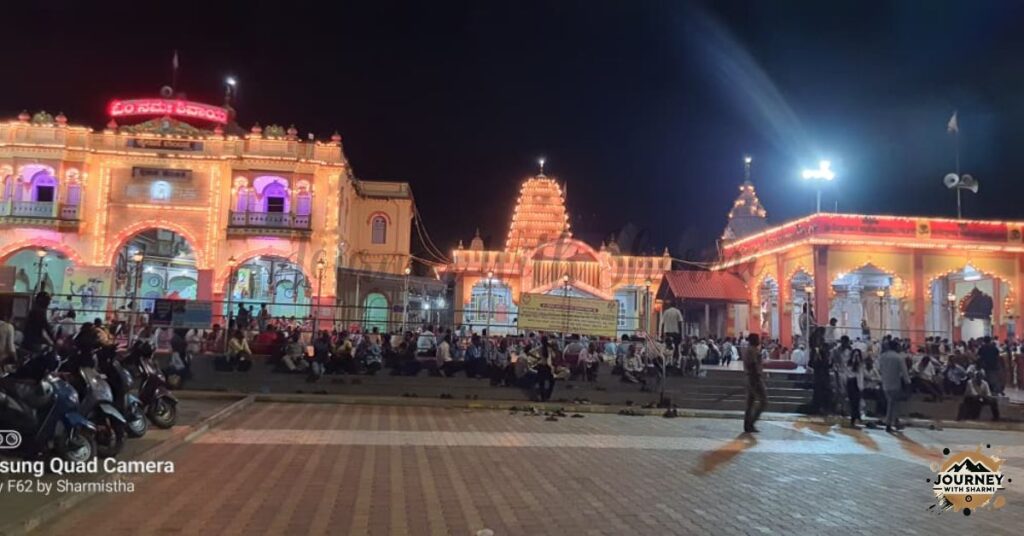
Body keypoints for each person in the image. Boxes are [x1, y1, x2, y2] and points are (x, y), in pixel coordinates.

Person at [877, 339, 910, 433]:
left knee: (891, 403)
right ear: (896, 347)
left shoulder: (882, 356)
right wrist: (908, 383)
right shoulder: (899, 358)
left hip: (885, 383)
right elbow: (905, 373)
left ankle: (895, 422)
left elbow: (879, 369)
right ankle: (889, 424)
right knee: (892, 404)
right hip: (895, 383)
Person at [742, 333, 767, 433]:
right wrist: (757, 378)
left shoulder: (750, 349)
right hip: (754, 378)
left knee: (750, 402)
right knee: (764, 401)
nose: (759, 340)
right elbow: (753, 365)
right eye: (758, 339)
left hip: (751, 378)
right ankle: (751, 422)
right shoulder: (752, 350)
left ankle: (748, 424)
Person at [846, 348, 864, 427]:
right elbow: (849, 372)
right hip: (851, 382)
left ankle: (856, 417)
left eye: (857, 354)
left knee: (857, 402)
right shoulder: (849, 363)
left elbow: (860, 375)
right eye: (855, 354)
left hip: (858, 383)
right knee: (853, 402)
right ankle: (855, 418)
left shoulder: (861, 364)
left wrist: (861, 386)